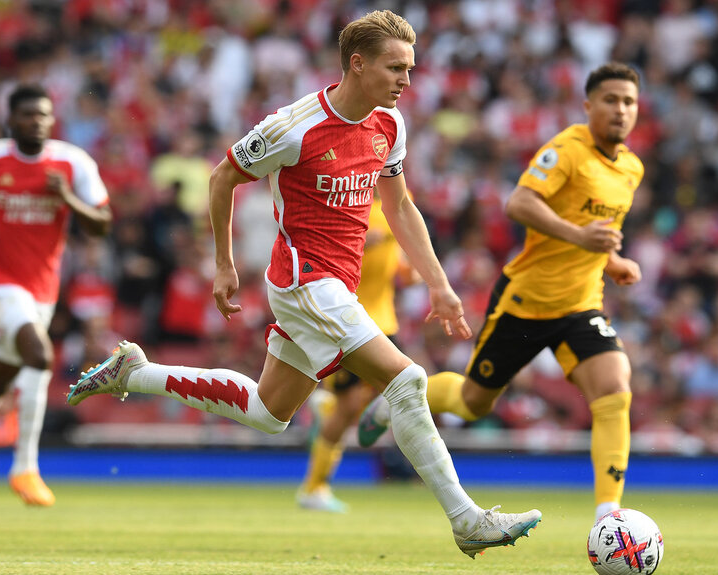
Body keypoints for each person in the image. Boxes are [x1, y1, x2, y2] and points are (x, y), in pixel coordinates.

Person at [67, 10, 541, 558]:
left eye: (410, 69)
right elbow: (224, 177)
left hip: (336, 284)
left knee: (269, 413)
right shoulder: (294, 127)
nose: (407, 81)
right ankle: (466, 519)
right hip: (304, 282)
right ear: (357, 64)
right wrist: (224, 264)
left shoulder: (390, 125)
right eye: (395, 68)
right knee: (407, 380)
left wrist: (439, 284)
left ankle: (138, 373)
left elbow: (400, 205)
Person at [358, 62, 645, 521]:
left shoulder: (631, 168)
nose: (620, 109)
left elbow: (597, 232)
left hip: (581, 304)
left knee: (615, 390)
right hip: (525, 302)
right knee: (473, 403)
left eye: (628, 101)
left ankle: (609, 514)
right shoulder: (567, 150)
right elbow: (520, 203)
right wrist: (580, 237)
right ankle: (396, 400)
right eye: (610, 100)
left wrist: (613, 261)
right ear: (589, 106)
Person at [0, 84, 112, 506]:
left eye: (43, 115)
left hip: (42, 287)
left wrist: (66, 198)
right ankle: (25, 467)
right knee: (40, 356)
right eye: (27, 115)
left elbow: (101, 224)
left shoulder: (72, 163)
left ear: (51, 120)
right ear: (11, 121)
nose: (36, 122)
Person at [296, 190, 415, 513]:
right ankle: (314, 487)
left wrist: (406, 270)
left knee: (404, 387)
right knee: (350, 409)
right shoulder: (346, 202)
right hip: (349, 321)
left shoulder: (398, 199)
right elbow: (323, 252)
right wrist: (360, 245)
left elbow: (396, 256)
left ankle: (329, 411)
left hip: (384, 320)